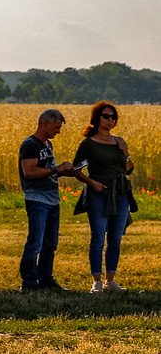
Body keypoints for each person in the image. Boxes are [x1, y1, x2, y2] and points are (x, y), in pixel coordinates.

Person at [18, 108, 98, 291]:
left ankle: (46, 280)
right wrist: (56, 169)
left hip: (52, 199)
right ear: (44, 123)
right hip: (37, 199)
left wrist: (63, 172)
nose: (58, 131)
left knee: (50, 243)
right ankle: (29, 283)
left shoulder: (48, 145)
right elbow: (29, 172)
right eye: (56, 127)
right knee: (35, 242)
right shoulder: (30, 145)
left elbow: (47, 171)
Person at [73, 100, 134, 293]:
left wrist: (125, 152)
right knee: (98, 237)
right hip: (98, 193)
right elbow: (76, 169)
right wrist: (92, 183)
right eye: (106, 116)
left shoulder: (119, 142)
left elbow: (129, 169)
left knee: (115, 238)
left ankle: (110, 280)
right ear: (96, 119)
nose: (110, 120)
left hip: (121, 193)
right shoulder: (88, 144)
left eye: (113, 117)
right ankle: (96, 281)